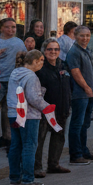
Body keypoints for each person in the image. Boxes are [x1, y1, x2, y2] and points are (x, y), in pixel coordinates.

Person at [6, 50, 53, 185]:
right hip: (29, 115)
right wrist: (47, 107)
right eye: (41, 60)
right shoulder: (31, 76)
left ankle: (14, 178)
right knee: (29, 145)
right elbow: (33, 98)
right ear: (35, 61)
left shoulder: (15, 73)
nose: (42, 64)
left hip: (13, 113)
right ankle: (28, 179)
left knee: (16, 145)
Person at [35, 39, 71, 176]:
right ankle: (36, 167)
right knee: (40, 139)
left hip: (62, 108)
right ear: (44, 51)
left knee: (59, 137)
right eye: (50, 49)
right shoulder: (40, 68)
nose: (53, 52)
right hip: (45, 110)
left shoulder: (63, 65)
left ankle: (54, 164)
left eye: (56, 49)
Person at [66, 27, 93, 165]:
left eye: (87, 35)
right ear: (75, 35)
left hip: (88, 94)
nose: (85, 38)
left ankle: (84, 151)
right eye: (82, 35)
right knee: (77, 124)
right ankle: (75, 154)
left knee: (85, 125)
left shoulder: (85, 51)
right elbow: (75, 72)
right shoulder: (74, 51)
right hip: (79, 94)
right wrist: (86, 87)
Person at [0, 19, 25, 149]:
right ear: (1, 28)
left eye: (13, 27)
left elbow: (23, 59)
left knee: (8, 110)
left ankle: (7, 137)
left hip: (13, 81)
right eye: (7, 27)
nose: (11, 30)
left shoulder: (19, 43)